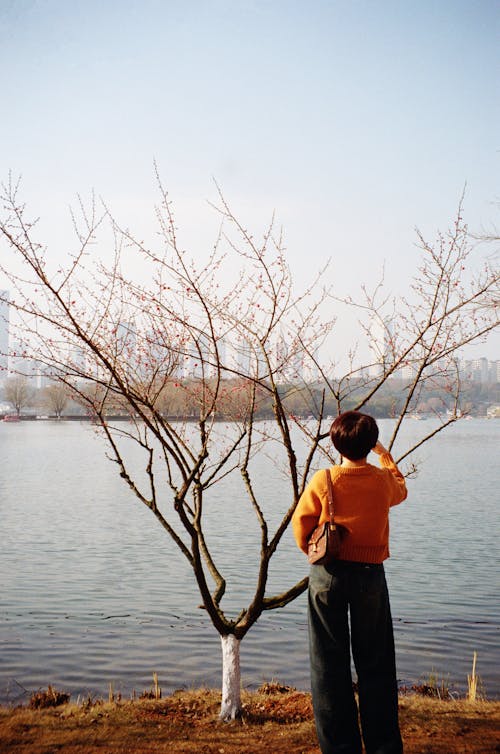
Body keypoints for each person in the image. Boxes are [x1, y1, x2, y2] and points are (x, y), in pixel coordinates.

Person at [292, 410, 407, 754]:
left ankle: (340, 747)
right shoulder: (382, 481)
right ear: (370, 444)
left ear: (334, 442)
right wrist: (385, 456)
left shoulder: (324, 479)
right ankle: (383, 746)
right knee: (377, 663)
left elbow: (302, 524)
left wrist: (316, 554)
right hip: (370, 575)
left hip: (329, 574)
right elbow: (401, 489)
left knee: (328, 664)